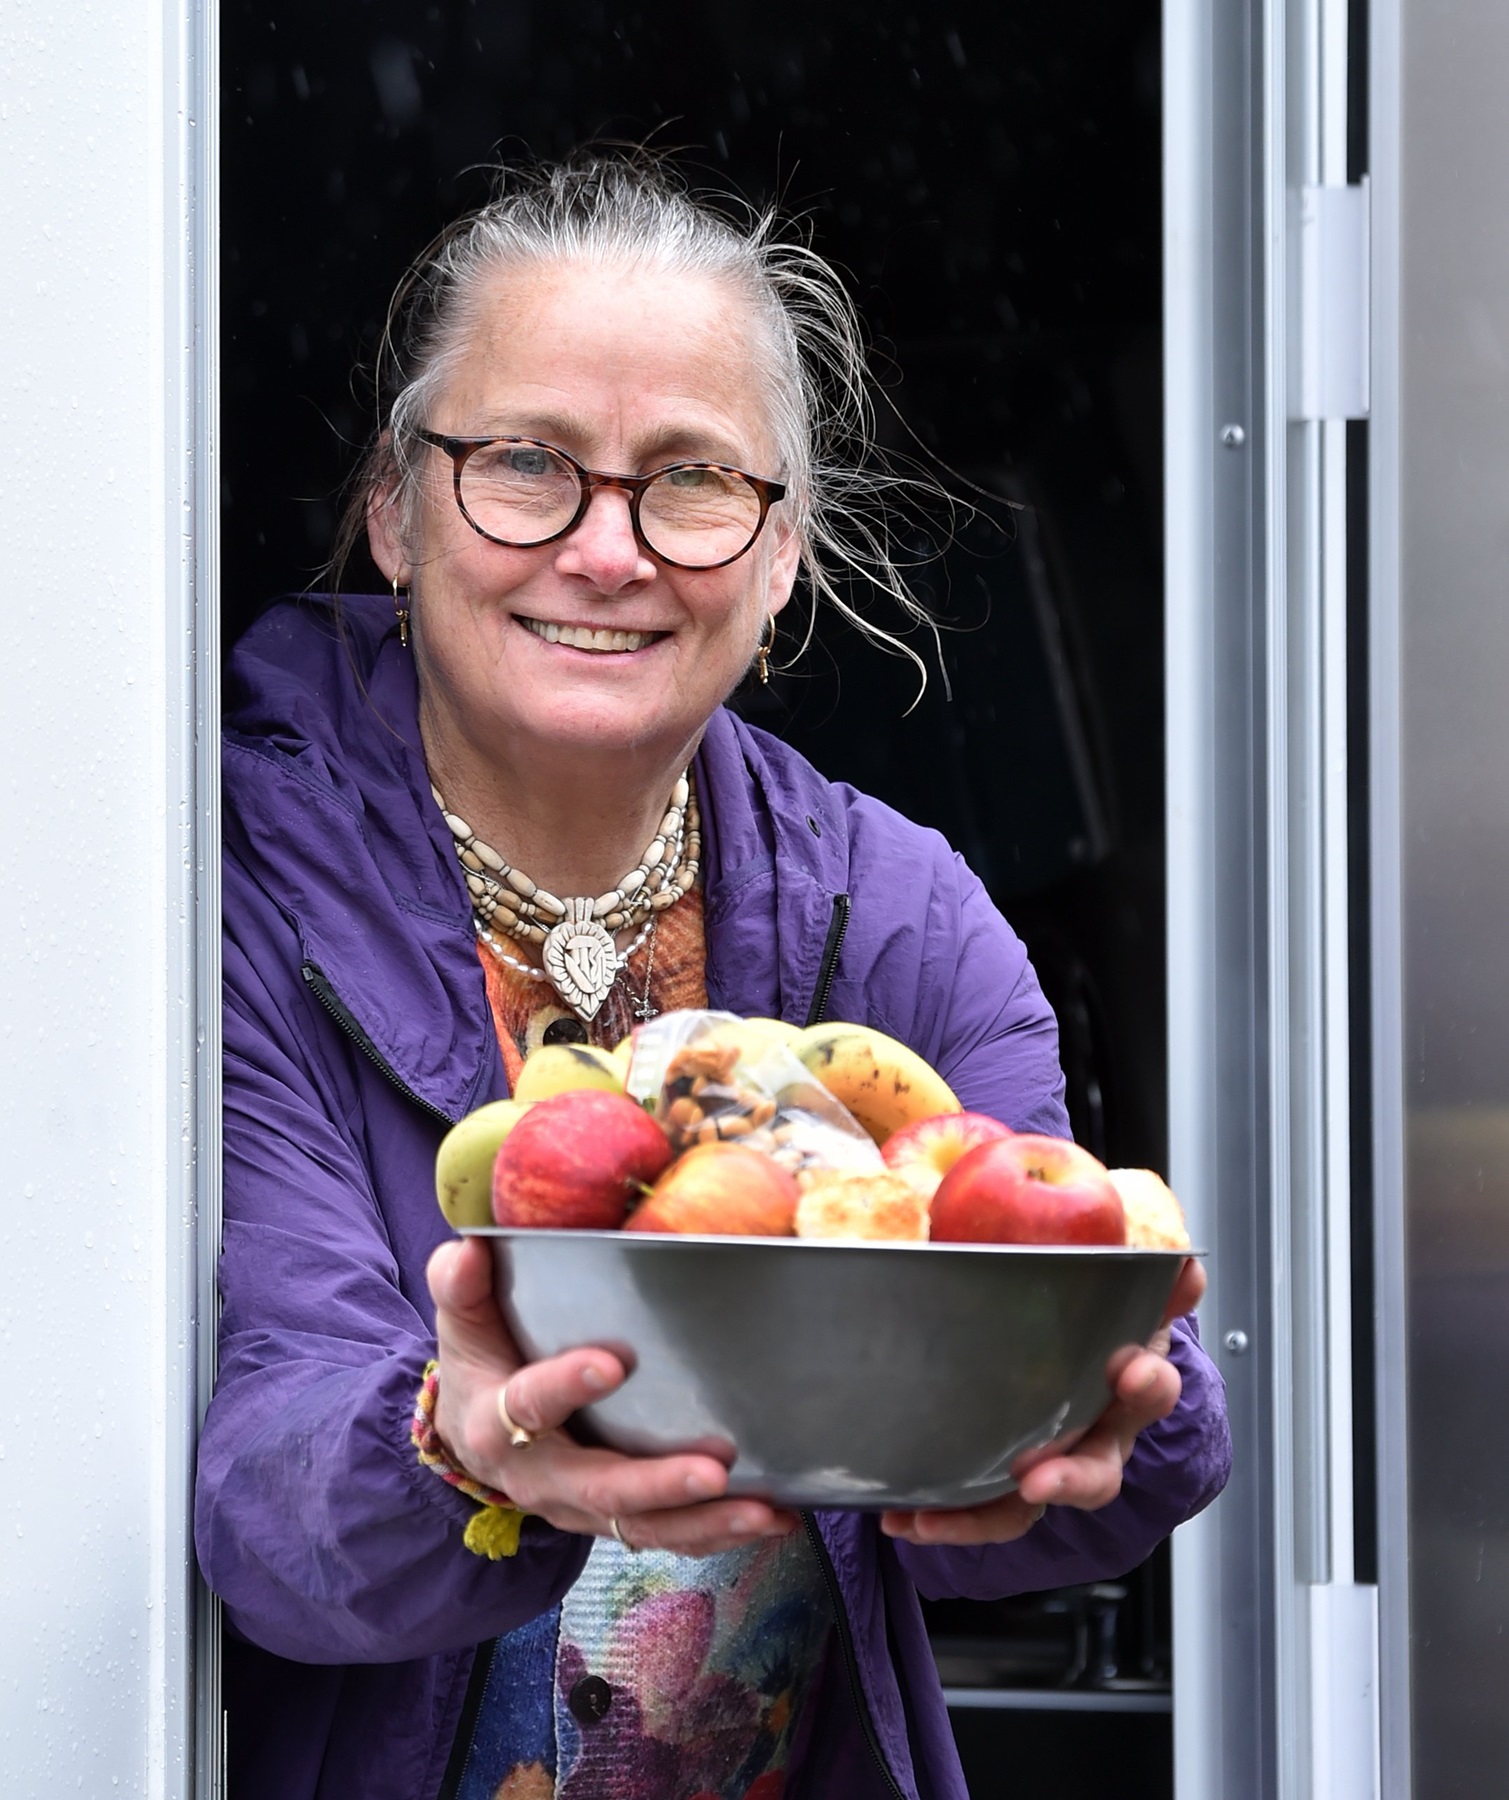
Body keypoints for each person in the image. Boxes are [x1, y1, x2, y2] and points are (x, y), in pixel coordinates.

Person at [197, 153, 1230, 1800]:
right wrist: (447, 1445)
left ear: (779, 555)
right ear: (394, 512)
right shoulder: (213, 891)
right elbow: (259, 1498)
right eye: (524, 464)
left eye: (687, 481)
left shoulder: (898, 913)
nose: (606, 552)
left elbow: (1047, 1466)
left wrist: (1088, 1421)